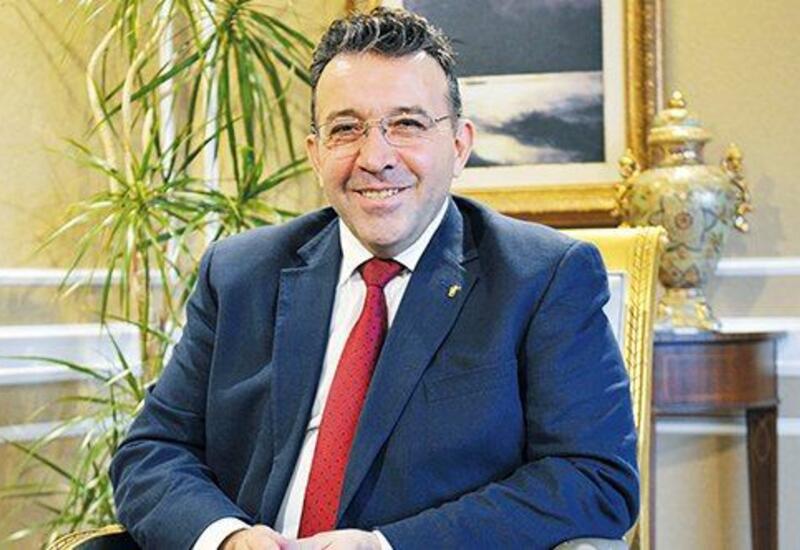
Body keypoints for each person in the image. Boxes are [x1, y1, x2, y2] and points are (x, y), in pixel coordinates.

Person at [110, 8, 639, 550]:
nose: (376, 158)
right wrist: (228, 538)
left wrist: (387, 546)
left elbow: (594, 479)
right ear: (316, 153)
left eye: (406, 124)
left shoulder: (541, 277)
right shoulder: (240, 274)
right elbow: (153, 451)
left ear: (459, 146)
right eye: (346, 129)